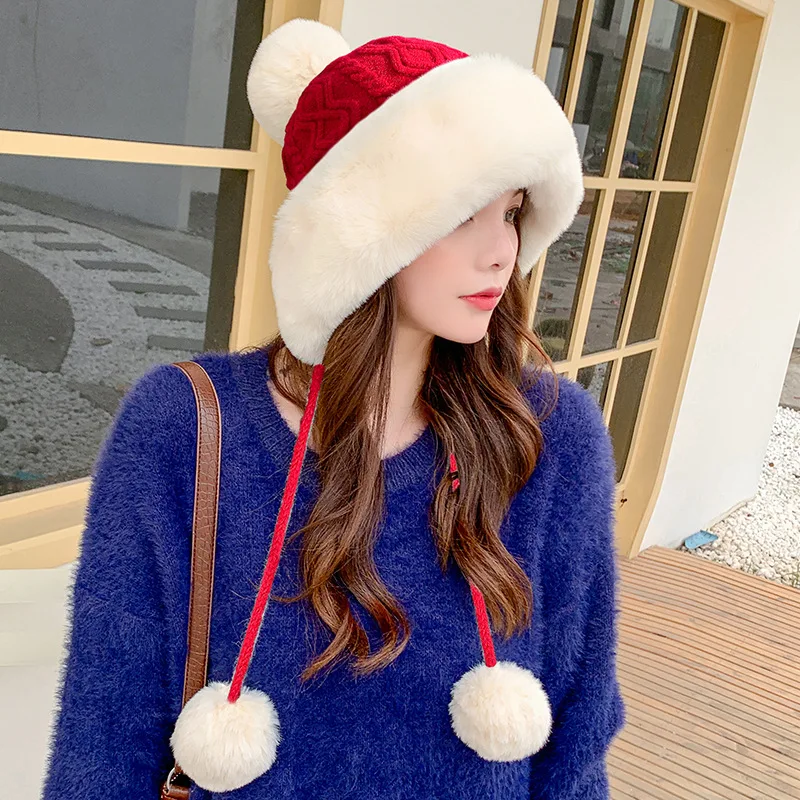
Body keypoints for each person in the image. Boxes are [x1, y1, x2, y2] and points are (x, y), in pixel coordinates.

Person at [40, 18, 625, 800]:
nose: (502, 252)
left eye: (513, 211)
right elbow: (103, 735)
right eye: (463, 213)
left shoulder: (550, 438)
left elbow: (577, 747)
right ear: (358, 233)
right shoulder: (182, 426)